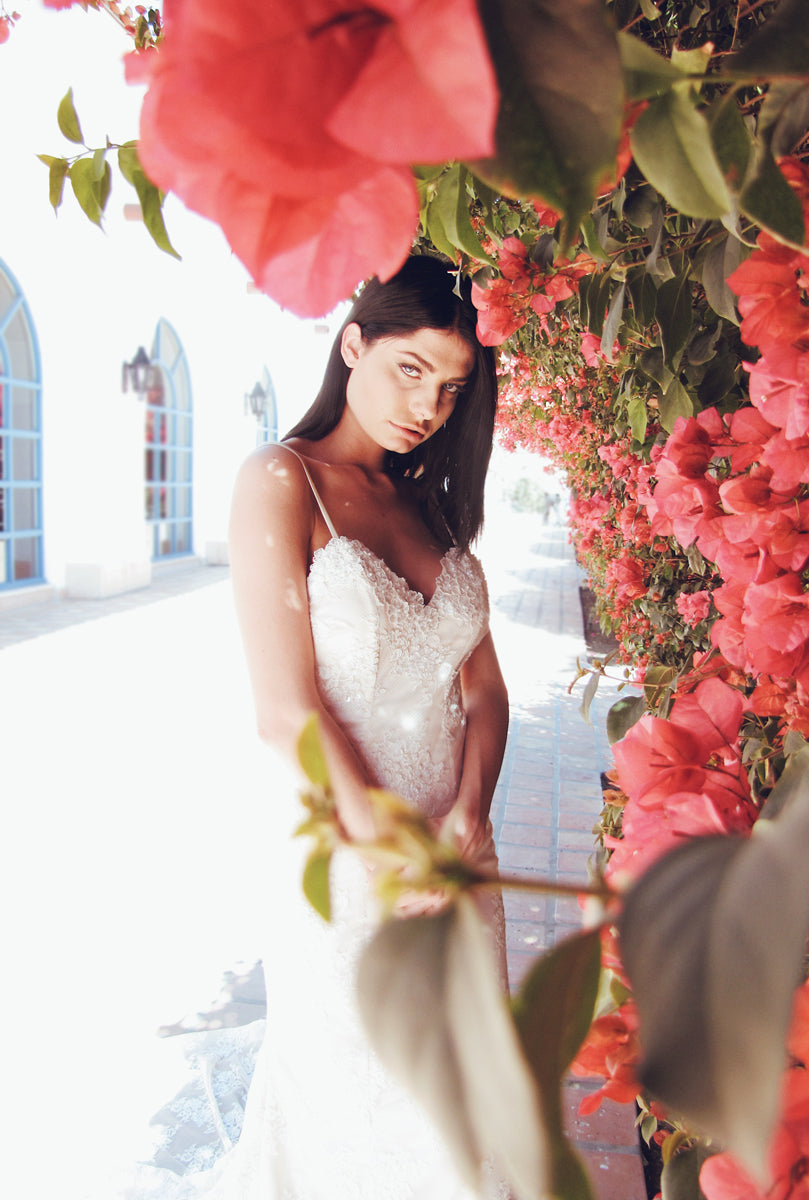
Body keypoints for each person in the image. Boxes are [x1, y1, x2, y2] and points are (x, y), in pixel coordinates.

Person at [144, 254, 509, 1200]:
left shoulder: (429, 506)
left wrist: (470, 813)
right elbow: (284, 713)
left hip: (460, 855)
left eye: (451, 388)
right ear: (354, 344)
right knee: (359, 1117)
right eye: (410, 369)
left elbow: (488, 693)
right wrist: (393, 851)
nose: (427, 408)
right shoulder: (280, 481)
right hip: (353, 864)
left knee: (464, 1112)